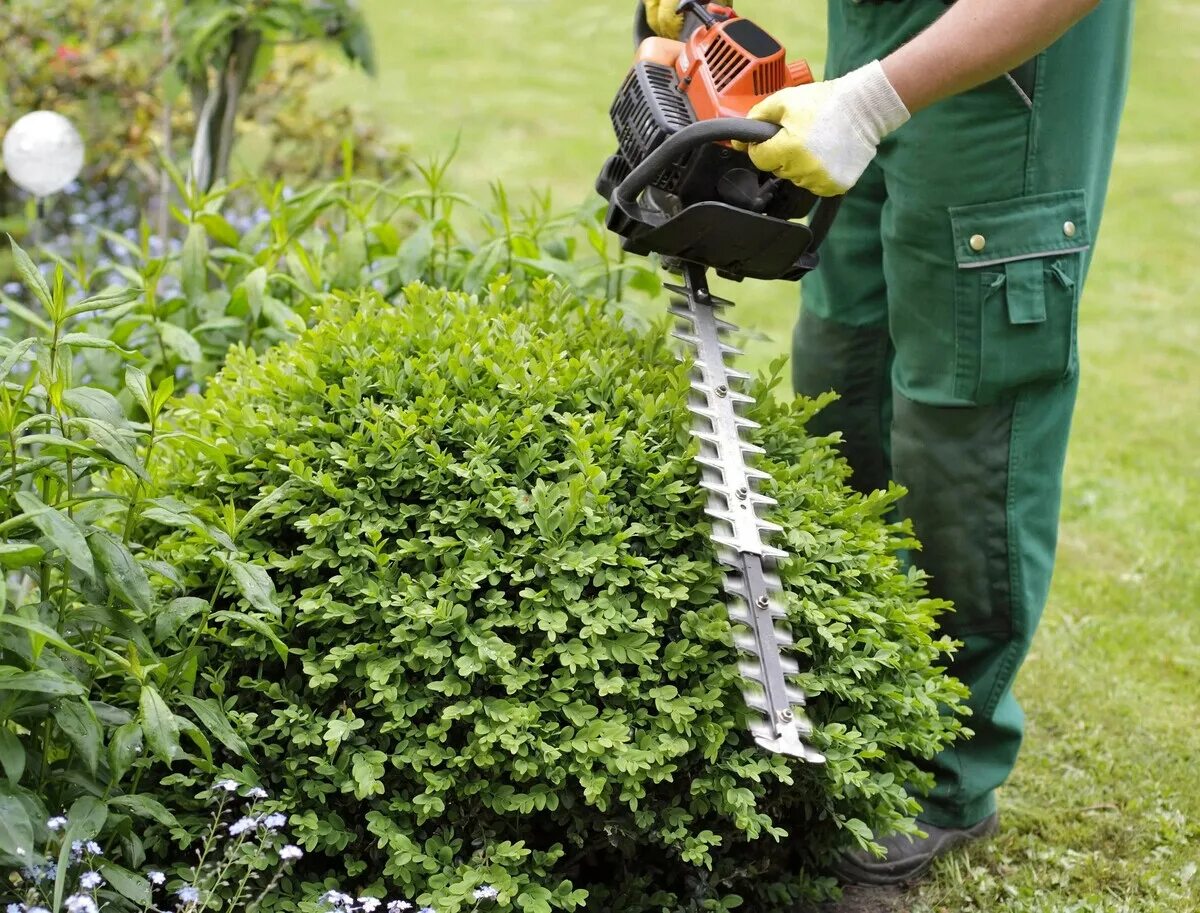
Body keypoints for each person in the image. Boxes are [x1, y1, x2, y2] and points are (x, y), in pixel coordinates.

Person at [644, 0, 1133, 887]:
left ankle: (948, 771)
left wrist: (871, 103)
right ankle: (855, 697)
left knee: (963, 414)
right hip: (876, 35)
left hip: (1011, 69)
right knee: (843, 365)